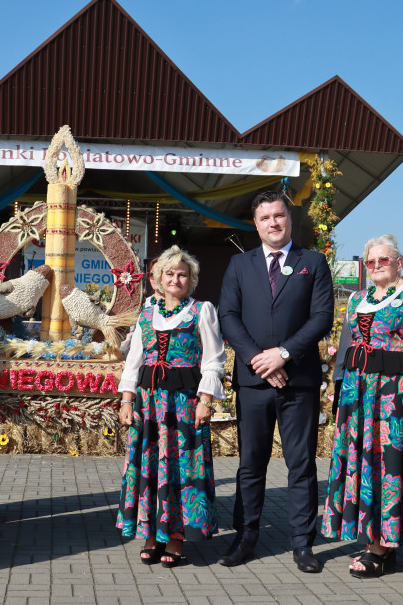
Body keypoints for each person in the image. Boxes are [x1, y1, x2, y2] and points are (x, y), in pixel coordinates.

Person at [218, 190, 334, 571]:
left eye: (279, 216)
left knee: (301, 464)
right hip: (253, 382)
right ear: (256, 223)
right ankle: (245, 536)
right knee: (251, 463)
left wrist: (282, 354)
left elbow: (321, 317)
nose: (273, 223)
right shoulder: (239, 265)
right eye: (265, 217)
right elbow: (229, 317)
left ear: (289, 218)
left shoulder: (312, 262)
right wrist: (257, 358)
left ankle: (303, 544)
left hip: (297, 380)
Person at [319, 235, 403, 578]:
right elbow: (350, 347)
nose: (376, 266)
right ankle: (375, 539)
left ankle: (381, 547)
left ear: (399, 264)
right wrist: (339, 391)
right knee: (362, 464)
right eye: (370, 262)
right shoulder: (357, 299)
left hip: (391, 396)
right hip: (358, 396)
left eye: (383, 260)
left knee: (388, 466)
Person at [117, 245, 226, 566]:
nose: (175, 278)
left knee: (181, 469)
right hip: (149, 406)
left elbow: (214, 359)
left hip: (183, 405)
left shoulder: (201, 310)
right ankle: (151, 534)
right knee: (150, 469)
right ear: (158, 279)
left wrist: (206, 399)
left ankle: (176, 538)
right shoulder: (147, 314)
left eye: (182, 274)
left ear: (190, 280)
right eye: (169, 273)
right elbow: (133, 362)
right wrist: (126, 400)